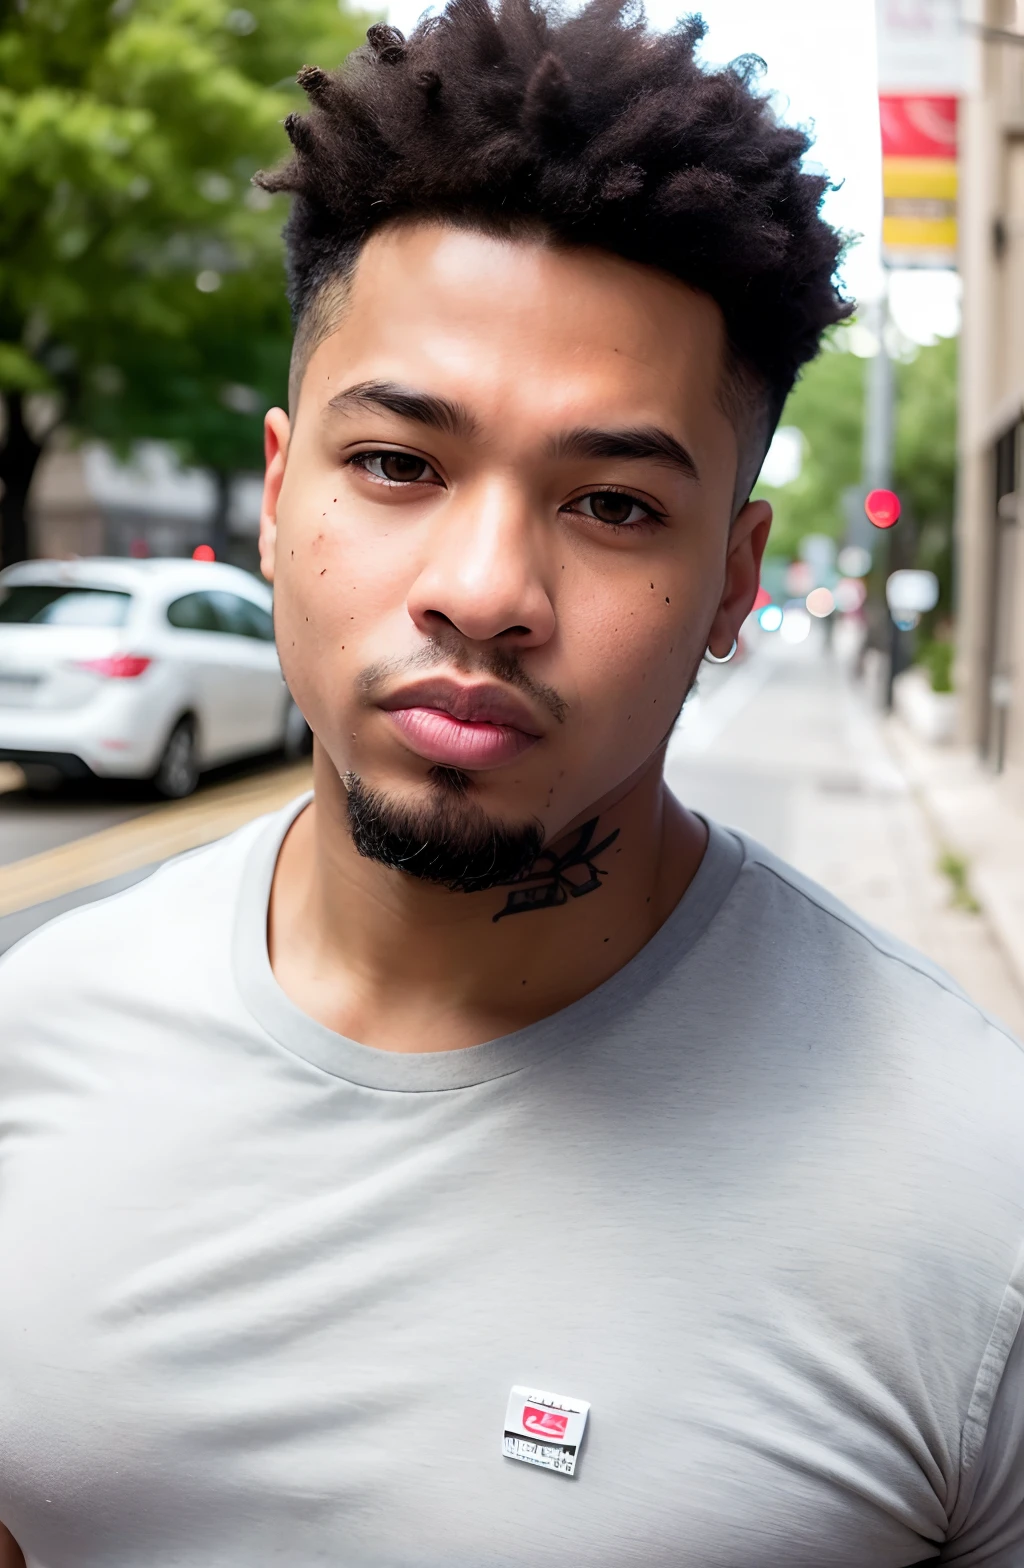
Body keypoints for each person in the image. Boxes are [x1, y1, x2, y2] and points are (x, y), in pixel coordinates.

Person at [2, 1, 1023, 1562]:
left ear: (736, 580)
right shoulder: (36, 1039)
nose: (484, 590)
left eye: (612, 504)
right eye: (400, 465)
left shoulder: (973, 1206)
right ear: (279, 497)